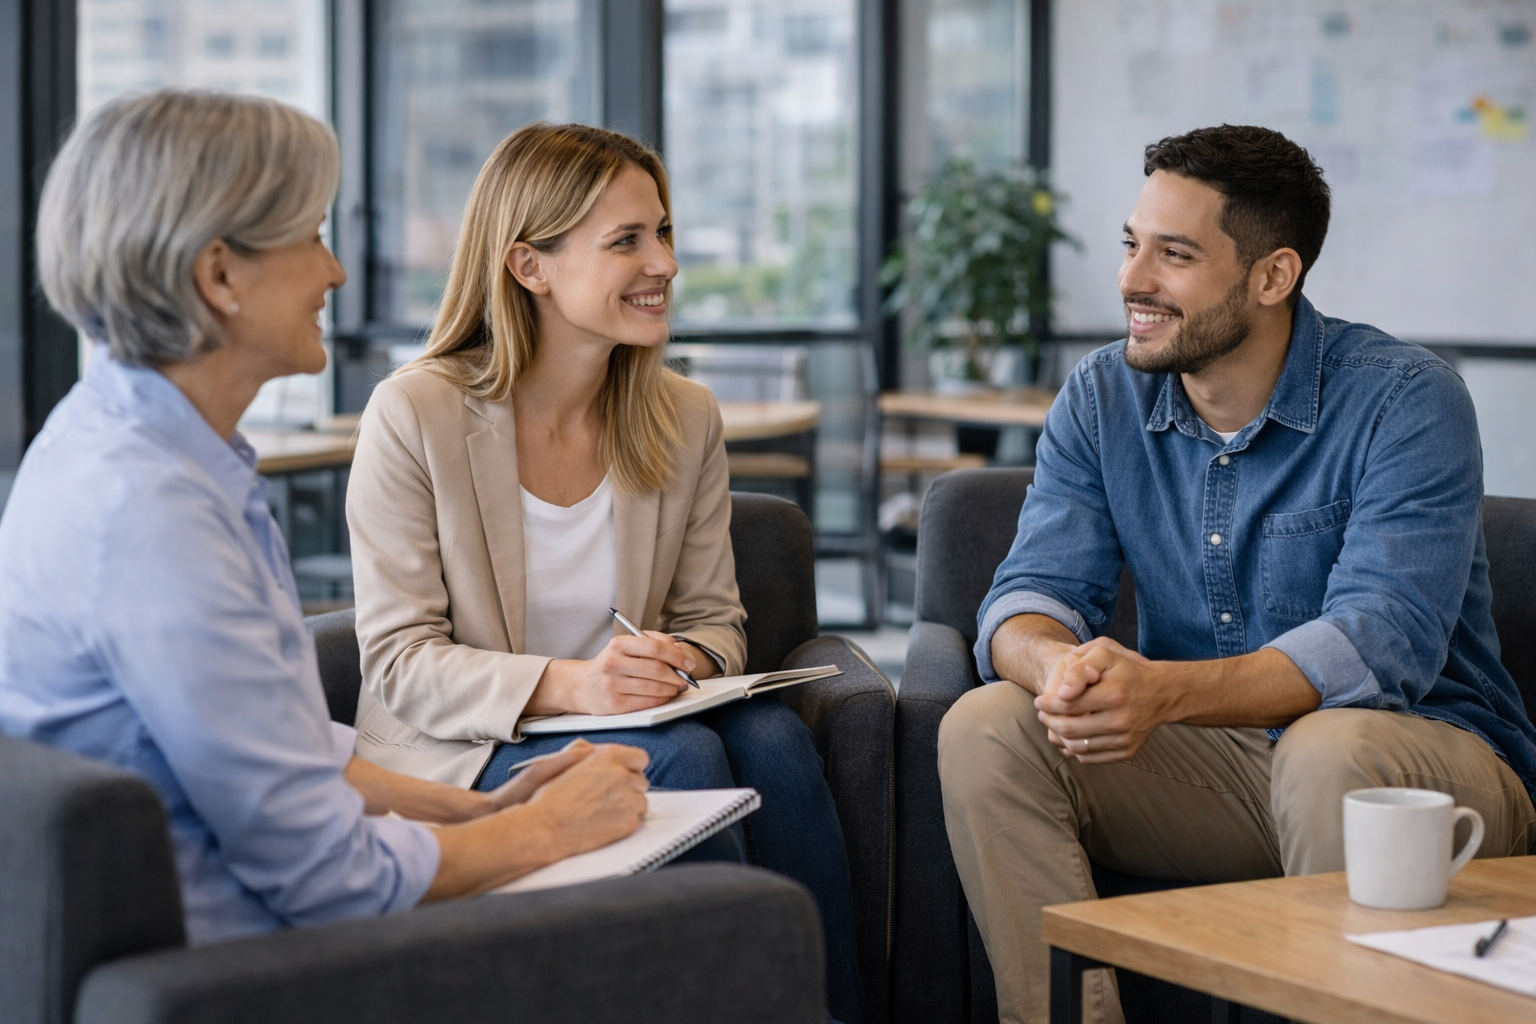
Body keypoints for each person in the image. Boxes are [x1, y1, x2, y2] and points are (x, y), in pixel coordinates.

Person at [0, 90, 654, 945]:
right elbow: (336, 884)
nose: (336, 272)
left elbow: (295, 753)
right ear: (220, 275)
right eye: (312, 236)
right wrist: (551, 829)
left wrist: (481, 809)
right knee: (738, 923)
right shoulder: (151, 516)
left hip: (284, 923)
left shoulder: (157, 453)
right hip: (266, 974)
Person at [937, 125, 1536, 1024]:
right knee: (987, 723)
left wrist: (1162, 693)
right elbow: (1029, 598)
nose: (1133, 280)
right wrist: (1061, 672)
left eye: (1174, 255)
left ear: (1272, 276)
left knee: (1330, 747)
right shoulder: (1102, 399)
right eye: (1133, 244)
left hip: (1419, 768)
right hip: (1224, 773)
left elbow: (1382, 648)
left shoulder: (1406, 399)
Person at [344, 121, 862, 1024]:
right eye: (626, 240)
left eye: (662, 232)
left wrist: (681, 663)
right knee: (684, 753)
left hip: (643, 715)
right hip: (465, 745)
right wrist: (579, 684)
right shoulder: (414, 412)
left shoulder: (683, 415)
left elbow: (715, 623)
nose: (661, 261)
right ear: (527, 265)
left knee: (774, 742)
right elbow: (399, 662)